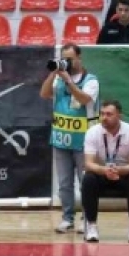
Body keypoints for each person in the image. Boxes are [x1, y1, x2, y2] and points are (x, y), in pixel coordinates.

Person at [39, 43, 99, 234]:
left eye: (70, 59)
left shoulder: (91, 80)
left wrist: (69, 82)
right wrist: (53, 73)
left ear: (79, 58)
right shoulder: (58, 78)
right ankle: (67, 218)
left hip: (84, 141)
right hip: (61, 138)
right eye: (64, 59)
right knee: (64, 184)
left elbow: (84, 99)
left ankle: (87, 219)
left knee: (85, 182)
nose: (67, 62)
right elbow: (44, 93)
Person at [80, 100, 129, 243]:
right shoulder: (92, 132)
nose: (104, 117)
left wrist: (120, 170)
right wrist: (104, 170)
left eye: (109, 114)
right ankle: (91, 226)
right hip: (101, 174)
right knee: (88, 179)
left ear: (119, 115)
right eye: (102, 114)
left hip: (123, 174)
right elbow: (88, 163)